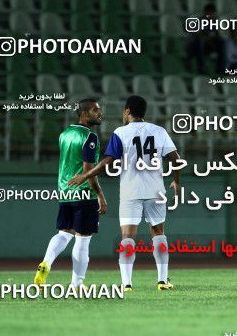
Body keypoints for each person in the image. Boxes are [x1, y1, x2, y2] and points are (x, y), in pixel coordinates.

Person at [68, 95, 182, 292]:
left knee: (127, 237)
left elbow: (107, 162)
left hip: (131, 191)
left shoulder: (121, 132)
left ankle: (127, 284)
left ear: (127, 111)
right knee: (158, 233)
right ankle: (163, 281)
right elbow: (175, 158)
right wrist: (176, 181)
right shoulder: (159, 131)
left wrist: (86, 175)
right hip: (156, 190)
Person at [34, 99, 107, 288]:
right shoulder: (89, 137)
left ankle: (46, 263)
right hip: (84, 193)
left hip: (65, 192)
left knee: (64, 232)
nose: (100, 113)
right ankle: (77, 284)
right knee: (83, 239)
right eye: (95, 110)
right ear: (83, 113)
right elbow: (87, 171)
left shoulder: (65, 134)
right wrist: (100, 195)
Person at [186, 3, 225, 74]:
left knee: (221, 43)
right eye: (209, 12)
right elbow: (197, 35)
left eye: (212, 13)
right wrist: (209, 40)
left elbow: (217, 36)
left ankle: (220, 67)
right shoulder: (198, 21)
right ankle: (201, 67)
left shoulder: (214, 23)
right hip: (195, 46)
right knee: (199, 42)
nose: (210, 15)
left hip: (207, 46)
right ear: (205, 12)